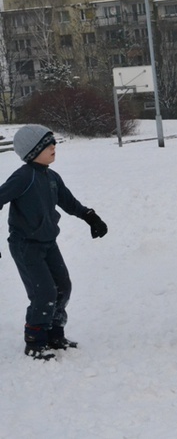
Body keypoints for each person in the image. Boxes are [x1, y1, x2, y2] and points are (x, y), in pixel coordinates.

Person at [0, 125, 108, 360]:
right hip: (26, 245)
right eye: (47, 144)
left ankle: (54, 333)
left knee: (63, 287)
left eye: (53, 142)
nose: (53, 147)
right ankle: (35, 340)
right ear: (32, 151)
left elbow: (69, 202)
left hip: (48, 243)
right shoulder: (23, 176)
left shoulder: (51, 177)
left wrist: (90, 217)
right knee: (44, 292)